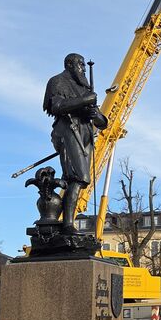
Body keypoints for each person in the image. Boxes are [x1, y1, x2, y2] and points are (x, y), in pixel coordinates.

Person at [43, 53, 108, 232]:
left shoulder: (84, 88)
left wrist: (96, 115)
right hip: (68, 131)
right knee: (80, 177)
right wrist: (84, 101)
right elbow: (56, 106)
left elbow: (102, 122)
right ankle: (68, 223)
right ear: (70, 64)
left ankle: (68, 222)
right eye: (81, 65)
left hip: (85, 134)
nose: (83, 69)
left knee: (78, 179)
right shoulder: (57, 81)